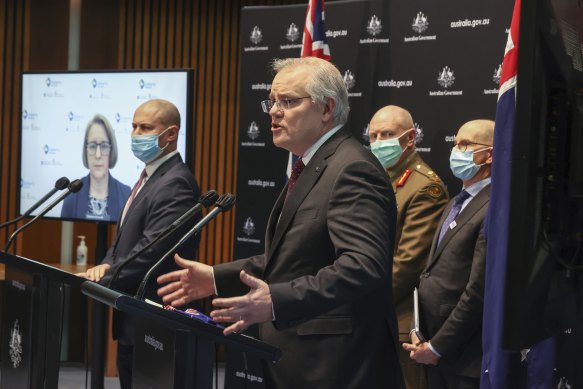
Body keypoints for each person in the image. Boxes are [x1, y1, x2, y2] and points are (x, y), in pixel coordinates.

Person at [157, 57, 402, 388]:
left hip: (337, 367)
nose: (273, 111)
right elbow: (294, 259)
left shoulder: (351, 169)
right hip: (299, 360)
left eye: (288, 102)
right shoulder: (311, 165)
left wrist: (276, 301)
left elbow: (362, 266)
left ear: (326, 108)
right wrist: (216, 278)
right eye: (271, 101)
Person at [76, 99, 201, 389]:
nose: (135, 134)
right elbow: (124, 238)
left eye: (145, 127)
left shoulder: (176, 183)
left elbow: (151, 249)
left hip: (156, 322)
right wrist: (107, 262)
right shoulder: (150, 176)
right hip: (134, 318)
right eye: (133, 126)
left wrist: (102, 280)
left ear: (170, 134)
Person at [403, 119, 494, 389]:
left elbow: (478, 290)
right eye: (456, 144)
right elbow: (431, 272)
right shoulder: (456, 201)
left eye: (466, 145)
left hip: (463, 356)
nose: (457, 151)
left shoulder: (493, 206)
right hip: (431, 343)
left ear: (489, 153)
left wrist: (439, 346)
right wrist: (418, 331)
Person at [369, 105, 449, 389]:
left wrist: (355, 298)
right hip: (371, 317)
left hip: (400, 322)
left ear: (410, 138)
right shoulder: (376, 179)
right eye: (373, 136)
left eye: (387, 134)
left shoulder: (424, 187)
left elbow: (407, 264)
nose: (379, 142)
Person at [61, 114, 131, 221]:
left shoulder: (126, 195)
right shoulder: (71, 196)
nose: (98, 155)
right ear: (86, 150)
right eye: (93, 146)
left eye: (104, 146)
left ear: (111, 150)